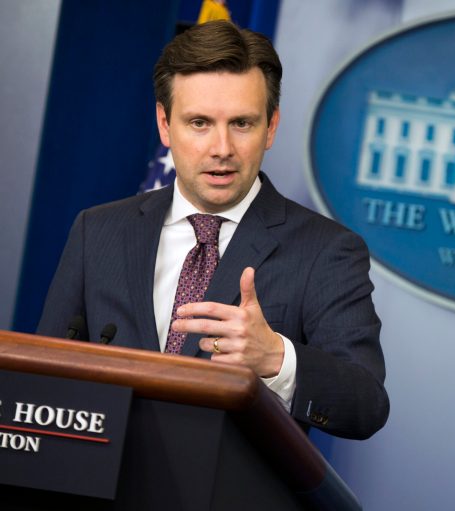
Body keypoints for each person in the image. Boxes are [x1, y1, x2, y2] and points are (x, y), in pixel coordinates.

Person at [36, 20, 388, 440]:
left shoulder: (326, 251)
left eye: (241, 123)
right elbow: (43, 380)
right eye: (199, 122)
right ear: (165, 125)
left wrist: (277, 359)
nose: (222, 148)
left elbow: (366, 404)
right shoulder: (98, 231)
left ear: (271, 127)